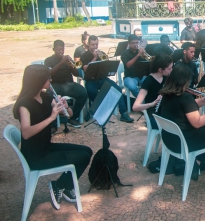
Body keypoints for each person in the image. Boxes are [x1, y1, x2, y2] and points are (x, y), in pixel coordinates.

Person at [12, 64, 92, 210]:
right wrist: (51, 117)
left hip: (46, 147)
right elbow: (26, 132)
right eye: (47, 77)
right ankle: (59, 185)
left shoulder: (46, 96)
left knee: (87, 151)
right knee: (82, 157)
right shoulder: (24, 104)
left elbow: (70, 114)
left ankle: (64, 185)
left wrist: (64, 105)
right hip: (36, 156)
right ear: (38, 80)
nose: (50, 79)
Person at [80, 35, 134, 123]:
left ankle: (123, 113)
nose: (95, 47)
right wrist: (94, 58)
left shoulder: (102, 53)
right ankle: (98, 111)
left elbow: (108, 67)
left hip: (102, 79)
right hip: (91, 80)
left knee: (117, 89)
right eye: (93, 45)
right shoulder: (84, 56)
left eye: (96, 44)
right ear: (88, 45)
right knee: (92, 91)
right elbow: (85, 68)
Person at [44, 40, 88, 128]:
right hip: (55, 85)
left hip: (68, 85)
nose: (61, 52)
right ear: (53, 49)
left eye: (62, 50)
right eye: (58, 50)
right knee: (47, 97)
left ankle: (72, 117)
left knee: (83, 93)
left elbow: (76, 73)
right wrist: (61, 63)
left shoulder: (67, 60)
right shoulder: (49, 60)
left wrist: (71, 64)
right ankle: (52, 123)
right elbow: (49, 73)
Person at [132, 54, 173, 128]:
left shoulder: (165, 78)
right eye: (169, 69)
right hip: (154, 115)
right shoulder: (148, 82)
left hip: (164, 112)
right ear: (160, 70)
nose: (171, 70)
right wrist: (152, 104)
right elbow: (135, 107)